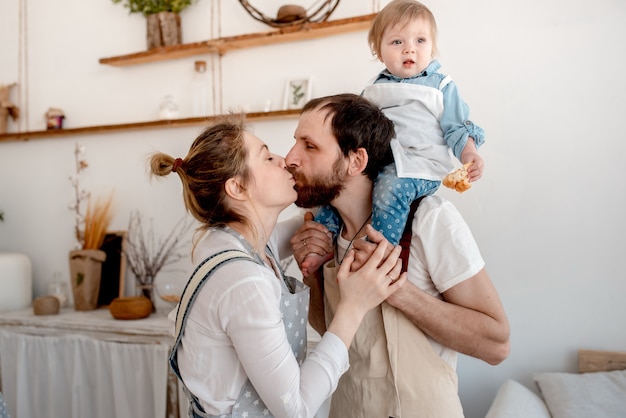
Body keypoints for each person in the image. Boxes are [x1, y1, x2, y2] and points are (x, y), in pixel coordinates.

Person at [154, 115, 406, 418]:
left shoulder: (229, 242)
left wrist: (354, 183)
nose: (284, 160)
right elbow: (295, 408)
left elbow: (312, 220)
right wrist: (353, 306)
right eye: (267, 157)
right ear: (237, 187)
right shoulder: (243, 282)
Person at [286, 94, 510, 417]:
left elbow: (497, 344)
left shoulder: (429, 219)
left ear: (356, 161)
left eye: (309, 146)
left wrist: (399, 291)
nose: (290, 158)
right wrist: (310, 271)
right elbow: (329, 329)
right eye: (295, 143)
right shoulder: (322, 231)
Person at [302, 0, 486, 277]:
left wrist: (469, 155)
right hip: (381, 161)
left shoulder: (440, 86)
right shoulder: (374, 89)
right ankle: (323, 241)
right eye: (397, 41)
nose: (410, 48)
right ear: (379, 51)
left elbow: (456, 128)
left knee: (390, 190)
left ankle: (380, 254)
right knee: (337, 183)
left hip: (418, 165)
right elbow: (359, 131)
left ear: (432, 47)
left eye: (420, 40)